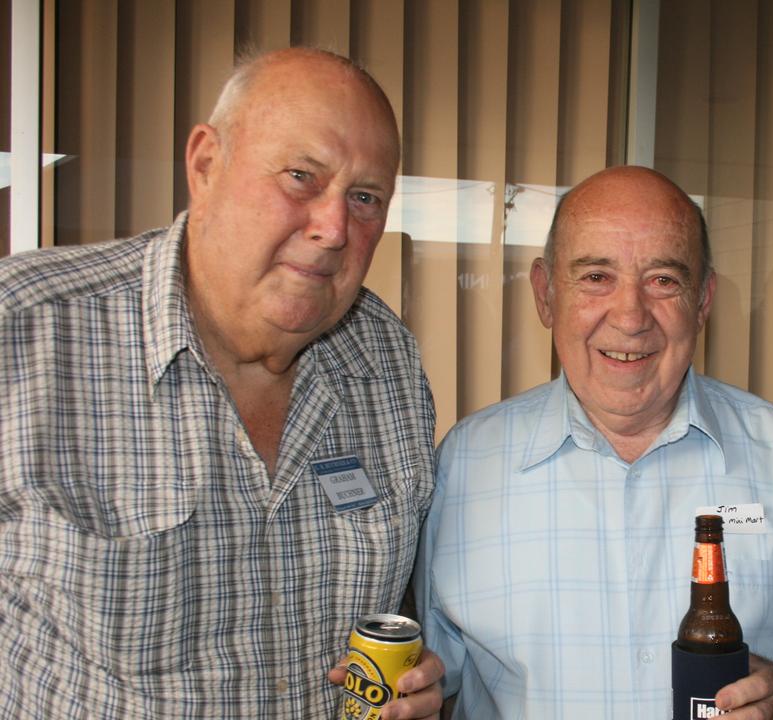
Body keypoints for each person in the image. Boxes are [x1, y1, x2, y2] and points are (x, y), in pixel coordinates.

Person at [0, 48, 444, 718]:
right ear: (206, 164)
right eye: (301, 177)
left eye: (365, 198)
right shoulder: (24, 332)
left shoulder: (388, 362)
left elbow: (398, 609)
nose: (332, 229)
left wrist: (418, 684)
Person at [416, 166, 773, 718]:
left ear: (703, 301)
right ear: (546, 293)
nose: (630, 317)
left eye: (663, 280)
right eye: (596, 276)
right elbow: (437, 677)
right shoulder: (463, 466)